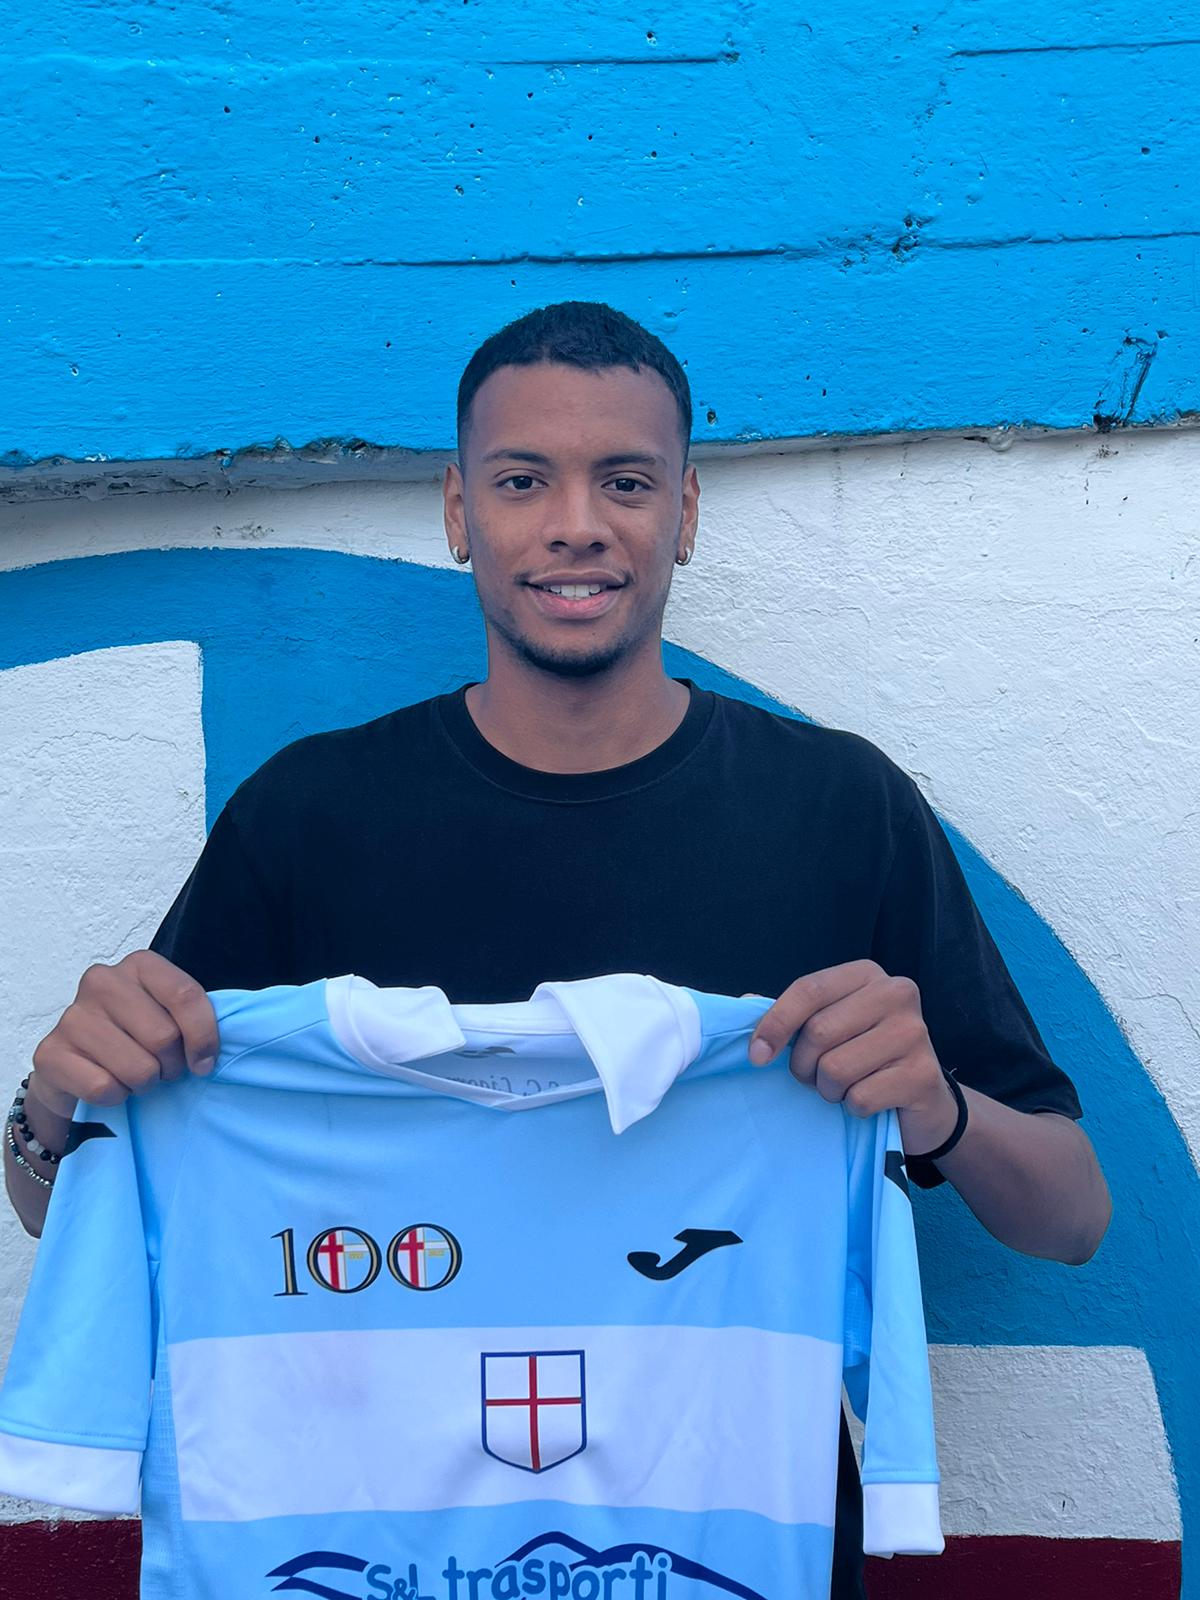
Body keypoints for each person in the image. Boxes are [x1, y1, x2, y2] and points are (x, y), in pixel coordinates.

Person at [5, 300, 1111, 1598]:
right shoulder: (309, 817)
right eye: (523, 480)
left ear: (684, 512)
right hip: (381, 1554)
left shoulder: (838, 809)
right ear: (459, 511)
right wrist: (52, 1111)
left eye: (625, 482)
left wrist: (936, 1110)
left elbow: (1073, 1218)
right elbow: (90, 1204)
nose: (576, 524)